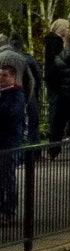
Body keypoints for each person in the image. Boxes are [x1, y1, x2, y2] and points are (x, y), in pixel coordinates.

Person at [0, 63, 27, 221]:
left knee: (8, 177)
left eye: (5, 75)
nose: (1, 79)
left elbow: (12, 114)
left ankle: (9, 211)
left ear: (13, 77)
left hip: (9, 140)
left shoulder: (17, 94)